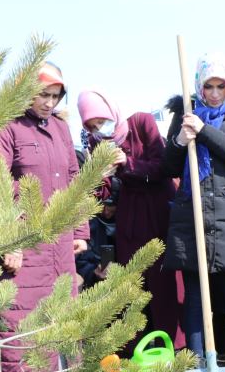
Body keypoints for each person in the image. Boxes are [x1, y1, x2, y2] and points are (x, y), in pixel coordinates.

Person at [0, 62, 88, 372]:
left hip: (59, 238)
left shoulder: (60, 129)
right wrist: (6, 239)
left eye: (56, 96)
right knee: (19, 312)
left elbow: (75, 178)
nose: (49, 102)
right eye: (44, 94)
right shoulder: (6, 127)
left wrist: (81, 228)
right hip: (24, 238)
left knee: (61, 306)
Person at [162, 53, 225, 372]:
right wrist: (180, 140)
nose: (215, 93)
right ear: (199, 86)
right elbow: (170, 166)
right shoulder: (185, 115)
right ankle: (196, 369)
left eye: (221, 86)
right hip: (192, 217)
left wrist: (204, 132)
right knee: (193, 298)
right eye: (209, 86)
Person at [76, 90, 183, 349]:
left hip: (158, 216)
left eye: (101, 121)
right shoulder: (96, 143)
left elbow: (163, 168)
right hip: (129, 223)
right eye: (92, 126)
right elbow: (100, 196)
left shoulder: (140, 123)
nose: (99, 129)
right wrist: (97, 173)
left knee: (164, 285)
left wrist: (128, 162)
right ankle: (137, 350)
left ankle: (173, 348)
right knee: (132, 283)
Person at [76, 178, 119, 291]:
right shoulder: (89, 225)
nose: (106, 212)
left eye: (111, 209)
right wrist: (93, 273)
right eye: (103, 207)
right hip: (95, 282)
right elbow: (80, 260)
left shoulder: (126, 227)